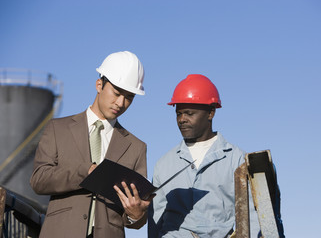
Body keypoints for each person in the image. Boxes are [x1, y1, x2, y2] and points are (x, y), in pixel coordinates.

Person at [30, 51, 152, 238]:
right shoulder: (58, 129)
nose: (121, 103)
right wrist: (85, 172)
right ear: (99, 85)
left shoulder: (136, 147)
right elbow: (38, 180)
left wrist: (136, 215)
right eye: (117, 93)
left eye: (129, 97)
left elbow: (136, 216)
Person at [148, 74, 260, 238]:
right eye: (178, 114)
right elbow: (155, 222)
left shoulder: (237, 160)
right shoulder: (164, 164)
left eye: (189, 113)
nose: (182, 120)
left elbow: (253, 218)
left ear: (211, 113)